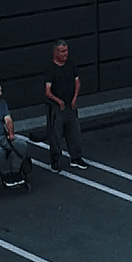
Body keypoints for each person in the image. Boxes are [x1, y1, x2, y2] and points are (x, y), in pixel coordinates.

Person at [41, 40, 90, 171]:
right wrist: (58, 101)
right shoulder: (50, 69)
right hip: (56, 107)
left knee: (74, 132)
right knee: (55, 134)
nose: (65, 54)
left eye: (66, 50)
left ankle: (76, 157)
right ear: (55, 52)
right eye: (62, 51)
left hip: (70, 105)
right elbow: (47, 91)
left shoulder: (71, 65)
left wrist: (74, 99)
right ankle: (55, 159)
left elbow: (77, 82)